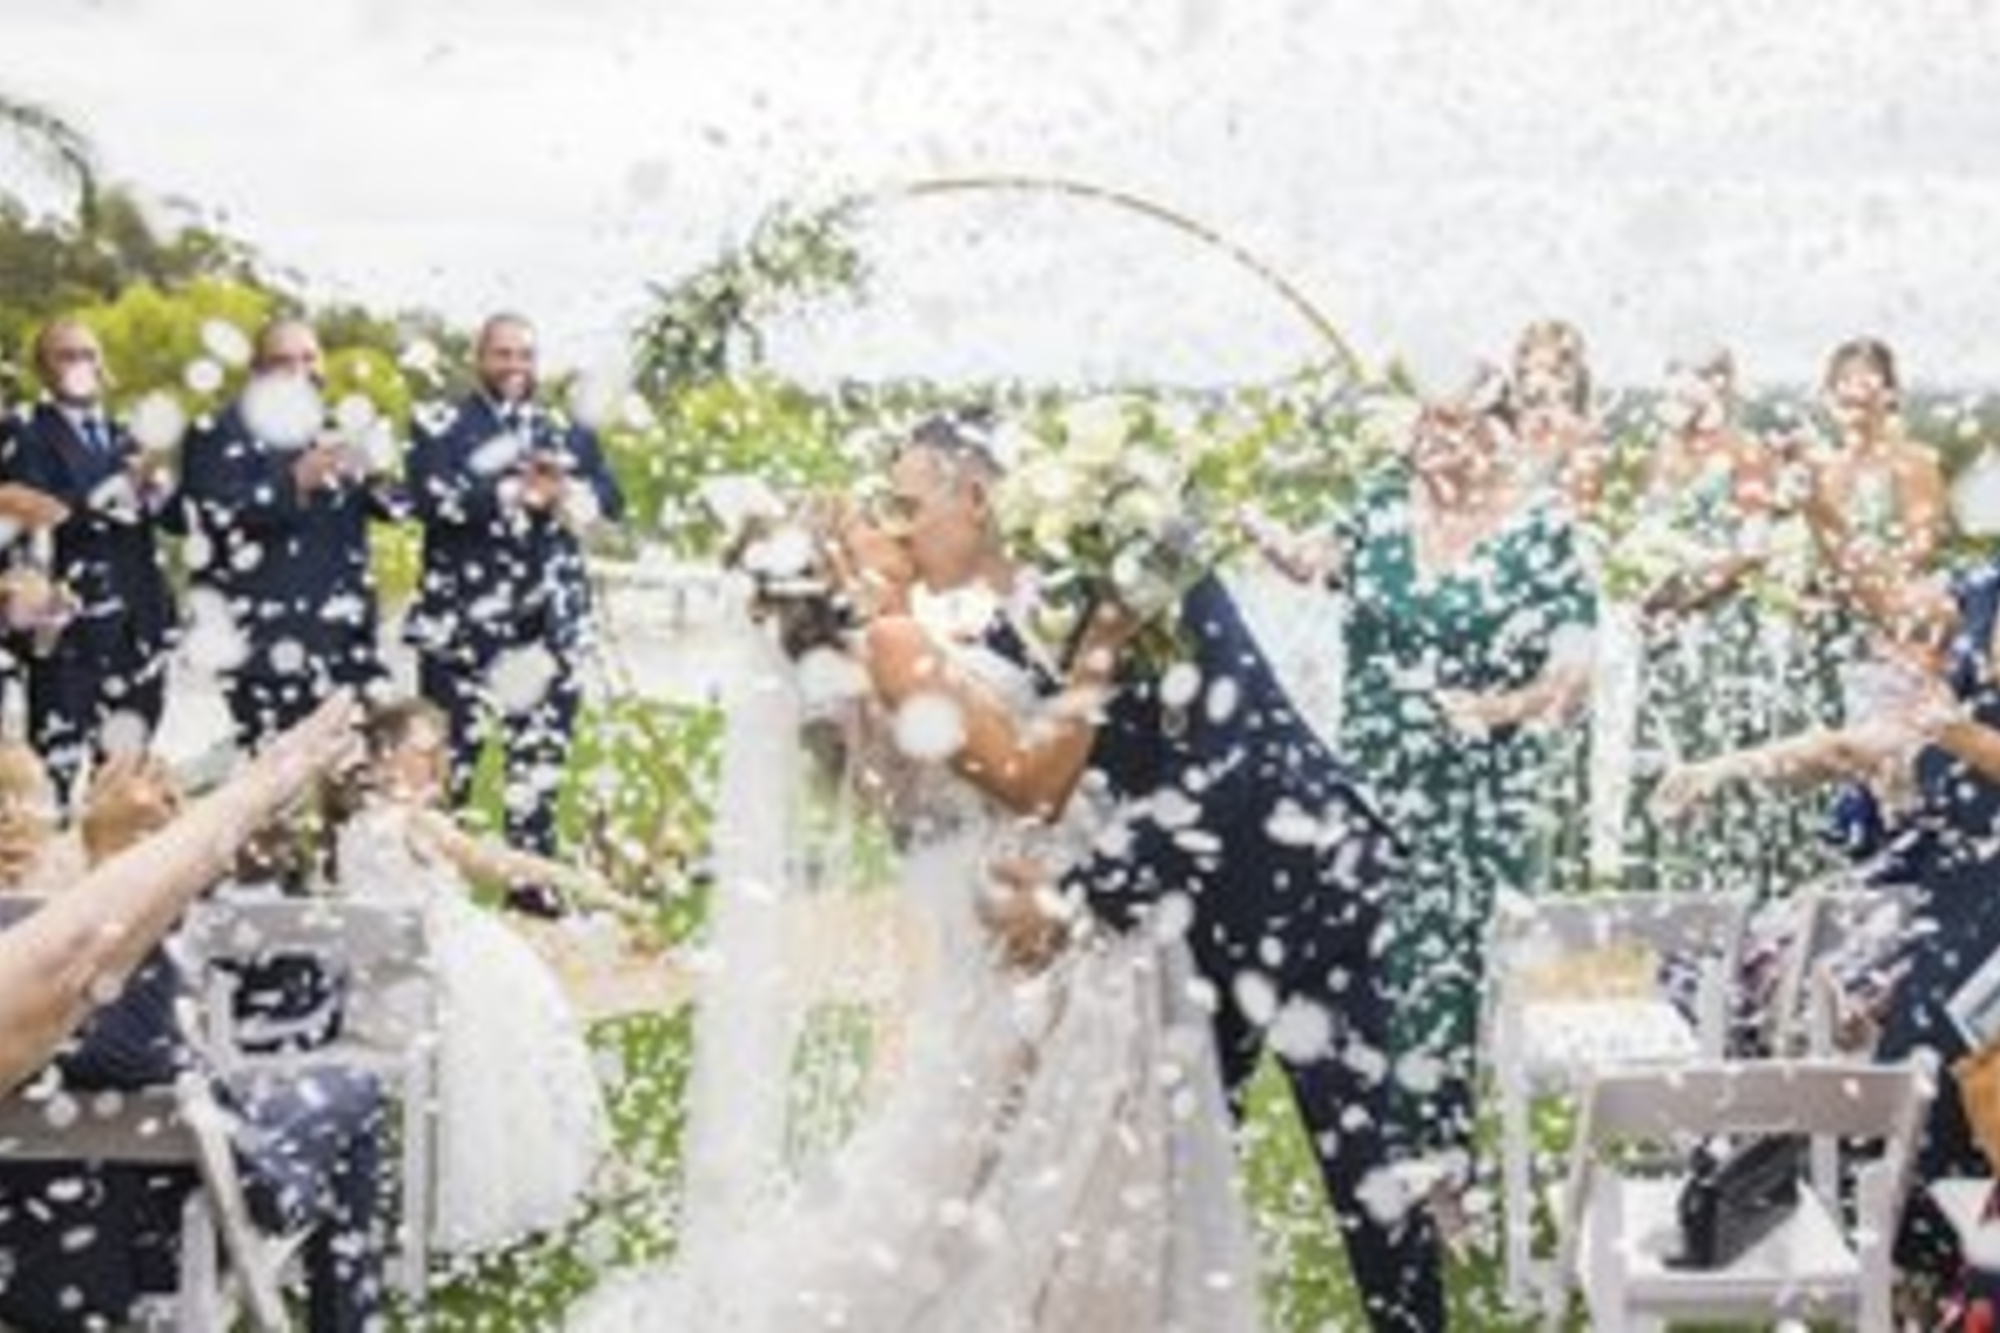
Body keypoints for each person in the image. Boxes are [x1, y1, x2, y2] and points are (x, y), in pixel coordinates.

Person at [572, 494, 1262, 1331]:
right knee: (1049, 1134)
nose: (892, 520)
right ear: (839, 564)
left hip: (999, 904)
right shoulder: (892, 644)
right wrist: (1107, 638)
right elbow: (1032, 785)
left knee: (997, 1141)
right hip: (1031, 906)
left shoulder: (872, 657)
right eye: (869, 516)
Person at [886, 416, 1444, 1331]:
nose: (905, 529)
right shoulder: (1015, 622)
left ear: (975, 498)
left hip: (1299, 878)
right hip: (1182, 917)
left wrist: (1077, 895)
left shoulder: (1134, 557)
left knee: (1366, 1171)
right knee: (1158, 1176)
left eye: (911, 506)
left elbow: (1234, 753)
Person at [1281, 373, 1594, 1222]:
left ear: (1497, 435)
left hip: (1479, 793)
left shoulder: (1539, 532)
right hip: (1375, 781)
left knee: (1443, 978)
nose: (1433, 439)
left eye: (1454, 424)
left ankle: (1443, 1171)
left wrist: (1498, 708)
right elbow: (1314, 559)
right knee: (1372, 963)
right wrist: (1274, 539)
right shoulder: (1379, 503)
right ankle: (1381, 1159)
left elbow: (1573, 673)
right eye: (1428, 422)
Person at [1653, 565, 2000, 1289]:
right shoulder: (1978, 597)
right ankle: (1792, 1189)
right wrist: (1726, 767)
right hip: (1933, 882)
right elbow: (1859, 741)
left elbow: (1945, 730)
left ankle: (1938, 1258)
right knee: (1737, 968)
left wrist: (1956, 732)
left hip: (1984, 911)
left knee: (1924, 1053)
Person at [0, 714, 386, 1333]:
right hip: (143, 1249)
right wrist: (126, 866)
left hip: (24, 1252)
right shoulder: (74, 954)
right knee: (352, 1089)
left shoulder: (40, 943)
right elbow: (125, 1062)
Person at [322, 697, 611, 1253]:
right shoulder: (415, 821)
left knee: (520, 995)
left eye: (440, 752)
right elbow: (493, 863)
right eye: (424, 753)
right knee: (528, 1012)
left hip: (379, 1001)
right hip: (436, 992)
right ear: (383, 760)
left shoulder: (353, 826)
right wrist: (577, 879)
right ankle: (542, 1177)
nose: (439, 764)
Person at [0, 691, 357, 1094]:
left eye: (25, 803)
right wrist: (119, 857)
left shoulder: (59, 889)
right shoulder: (63, 912)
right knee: (351, 1090)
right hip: (116, 1140)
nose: (12, 822)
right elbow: (123, 1062)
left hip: (147, 1122)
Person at [404, 313, 625, 915]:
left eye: (524, 355)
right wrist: (510, 492)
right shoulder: (441, 423)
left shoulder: (565, 428)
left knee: (540, 771)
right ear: (478, 357)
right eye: (502, 355)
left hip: (547, 632)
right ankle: (431, 896)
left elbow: (612, 499)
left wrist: (565, 494)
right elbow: (427, 496)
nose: (514, 367)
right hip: (463, 632)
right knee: (447, 770)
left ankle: (531, 891)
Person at [1621, 349, 1832, 895]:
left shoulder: (1747, 452)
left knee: (1716, 747)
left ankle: (1736, 888)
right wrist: (1641, 584)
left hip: (1721, 631)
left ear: (1721, 385)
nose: (1682, 390)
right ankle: (1671, 886)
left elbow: (1752, 549)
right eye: (1675, 377)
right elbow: (1642, 533)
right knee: (1664, 748)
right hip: (1663, 632)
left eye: (1696, 377)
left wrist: (1685, 593)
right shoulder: (1660, 455)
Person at [180, 319, 404, 752]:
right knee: (278, 790)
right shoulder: (216, 431)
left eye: (309, 357)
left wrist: (379, 476)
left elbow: (398, 509)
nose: (300, 370)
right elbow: (213, 519)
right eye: (283, 361)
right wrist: (294, 483)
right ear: (257, 372)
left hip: (348, 643)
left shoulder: (340, 427)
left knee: (355, 782)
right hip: (264, 649)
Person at [0, 318, 178, 800]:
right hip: (66, 627)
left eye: (88, 354)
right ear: (43, 368)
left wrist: (161, 491)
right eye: (66, 355)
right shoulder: (23, 432)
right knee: (52, 773)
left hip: (139, 625)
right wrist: (115, 493)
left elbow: (173, 522)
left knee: (126, 775)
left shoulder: (127, 438)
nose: (81, 365)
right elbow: (36, 511)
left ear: (103, 365)